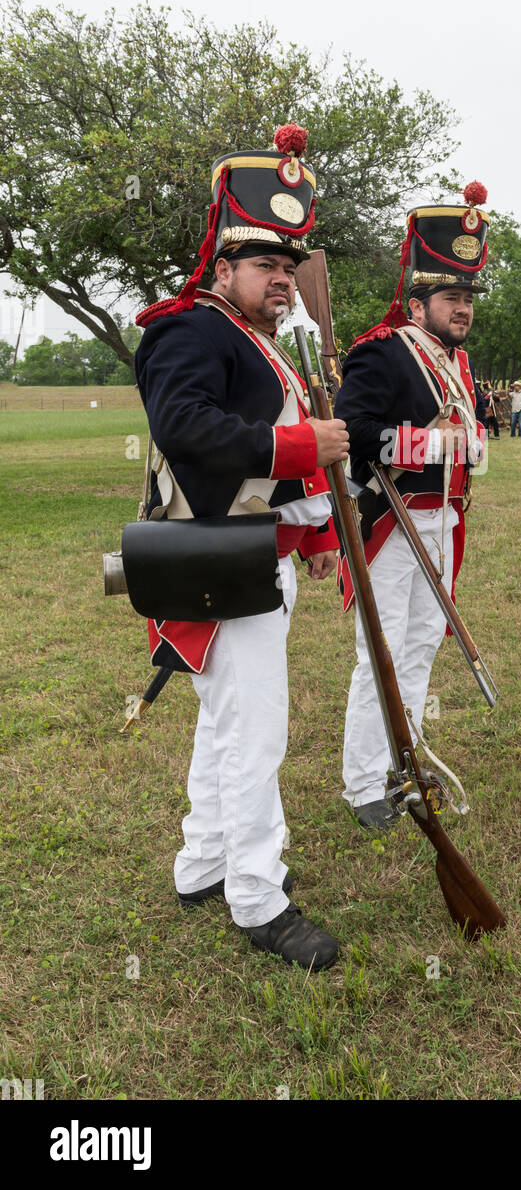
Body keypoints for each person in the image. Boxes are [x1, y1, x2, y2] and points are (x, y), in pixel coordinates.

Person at [133, 123, 348, 969]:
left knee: (225, 727)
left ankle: (203, 865)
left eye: (289, 269)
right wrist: (305, 453)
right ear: (223, 268)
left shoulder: (259, 342)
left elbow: (280, 456)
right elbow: (188, 430)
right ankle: (258, 898)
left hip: (258, 554)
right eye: (266, 267)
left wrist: (320, 527)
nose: (282, 282)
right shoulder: (189, 328)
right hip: (214, 560)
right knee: (253, 734)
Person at [334, 182, 490, 829]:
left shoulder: (459, 364)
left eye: (467, 298)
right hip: (391, 521)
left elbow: (473, 436)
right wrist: (431, 441)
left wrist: (468, 443)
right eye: (451, 296)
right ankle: (364, 784)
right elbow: (349, 430)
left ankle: (405, 758)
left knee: (423, 645)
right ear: (417, 300)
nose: (462, 309)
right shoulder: (381, 352)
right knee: (383, 653)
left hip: (442, 521)